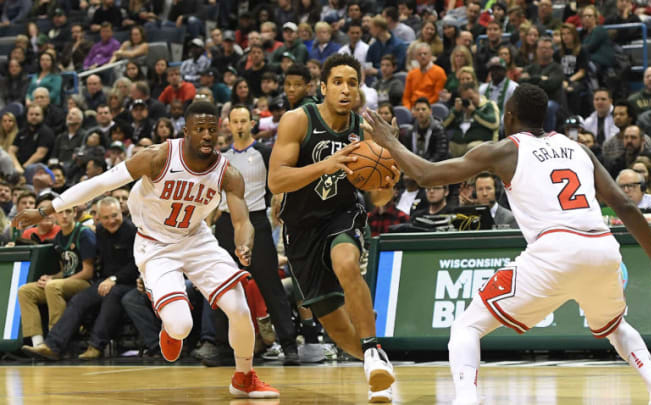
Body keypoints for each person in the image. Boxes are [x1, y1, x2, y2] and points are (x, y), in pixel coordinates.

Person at [366, 83, 651, 405]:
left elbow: (426, 175)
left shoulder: (505, 149)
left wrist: (390, 141)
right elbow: (626, 206)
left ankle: (466, 399)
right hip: (601, 247)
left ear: (509, 115)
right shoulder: (578, 149)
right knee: (615, 326)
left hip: (555, 250)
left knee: (466, 327)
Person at [13, 101, 278, 398]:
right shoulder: (158, 157)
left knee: (240, 308)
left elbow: (243, 220)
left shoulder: (228, 173)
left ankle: (244, 377)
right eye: (199, 129)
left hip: (196, 239)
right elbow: (101, 183)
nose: (206, 136)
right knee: (181, 326)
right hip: (155, 244)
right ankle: (170, 329)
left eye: (211, 130)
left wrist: (244, 242)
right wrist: (50, 206)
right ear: (186, 131)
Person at [268, 54, 398, 403]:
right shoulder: (298, 120)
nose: (345, 89)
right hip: (301, 228)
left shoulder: (365, 131)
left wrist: (389, 165)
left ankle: (372, 349)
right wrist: (325, 165)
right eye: (338, 82)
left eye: (352, 83)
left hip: (343, 214)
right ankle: (376, 362)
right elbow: (276, 178)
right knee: (339, 332)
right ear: (323, 88)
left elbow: (380, 198)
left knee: (346, 263)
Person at [209, 104, 300, 365]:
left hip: (256, 222)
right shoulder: (220, 157)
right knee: (222, 285)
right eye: (234, 121)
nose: (239, 125)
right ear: (228, 124)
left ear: (252, 123)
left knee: (270, 285)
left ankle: (290, 345)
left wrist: (279, 207)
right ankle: (223, 347)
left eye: (243, 121)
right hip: (226, 224)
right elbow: (215, 196)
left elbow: (280, 184)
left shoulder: (264, 153)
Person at [22, 197, 138, 360]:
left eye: (114, 216)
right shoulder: (99, 231)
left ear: (121, 212)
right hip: (104, 280)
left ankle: (96, 346)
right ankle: (52, 346)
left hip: (129, 282)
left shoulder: (132, 230)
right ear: (98, 217)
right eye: (105, 218)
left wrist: (114, 279)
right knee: (79, 300)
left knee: (111, 296)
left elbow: (136, 265)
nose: (111, 221)